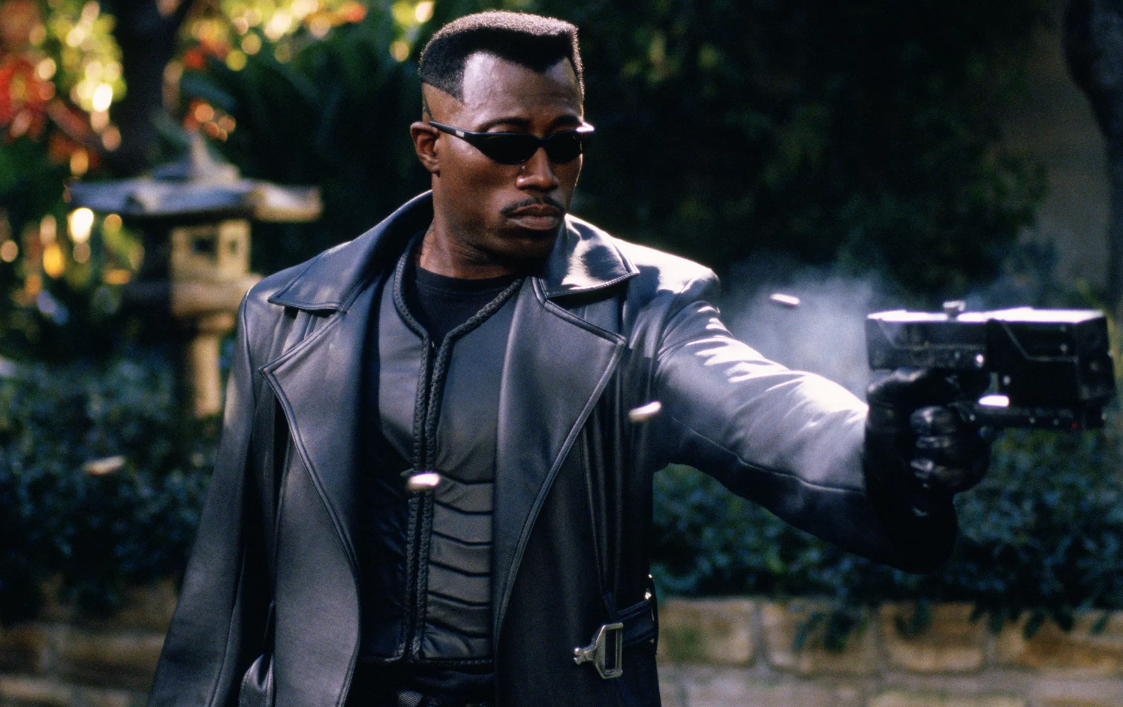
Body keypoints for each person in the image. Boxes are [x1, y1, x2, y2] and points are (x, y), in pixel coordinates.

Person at [147, 11, 992, 707]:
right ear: (430, 145)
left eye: (566, 143)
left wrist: (884, 445)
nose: (542, 174)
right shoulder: (290, 314)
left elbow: (761, 407)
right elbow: (225, 584)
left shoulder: (636, 309)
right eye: (507, 144)